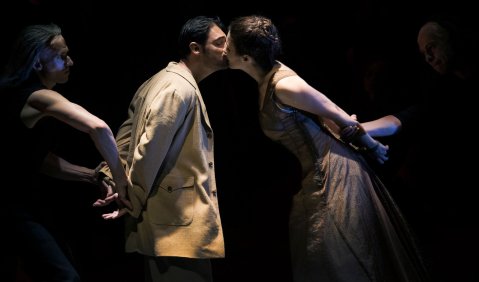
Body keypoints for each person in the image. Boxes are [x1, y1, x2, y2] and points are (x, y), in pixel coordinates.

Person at [224, 15, 429, 281]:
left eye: (228, 45)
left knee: (343, 257)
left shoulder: (284, 85)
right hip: (316, 173)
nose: (224, 49)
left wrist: (372, 146)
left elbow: (336, 113)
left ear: (247, 57)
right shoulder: (267, 80)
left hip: (334, 173)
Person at [97, 16, 227, 282]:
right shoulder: (179, 89)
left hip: (166, 225)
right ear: (195, 48)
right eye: (220, 42)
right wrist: (130, 199)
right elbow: (147, 150)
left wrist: (112, 179)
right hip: (176, 228)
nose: (227, 49)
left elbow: (123, 141)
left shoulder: (157, 81)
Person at [0, 23, 130, 281]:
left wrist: (95, 176)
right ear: (38, 64)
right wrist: (121, 180)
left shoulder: (30, 97)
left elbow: (39, 160)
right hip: (13, 208)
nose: (70, 61)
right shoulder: (37, 98)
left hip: (31, 204)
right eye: (61, 57)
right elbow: (98, 127)